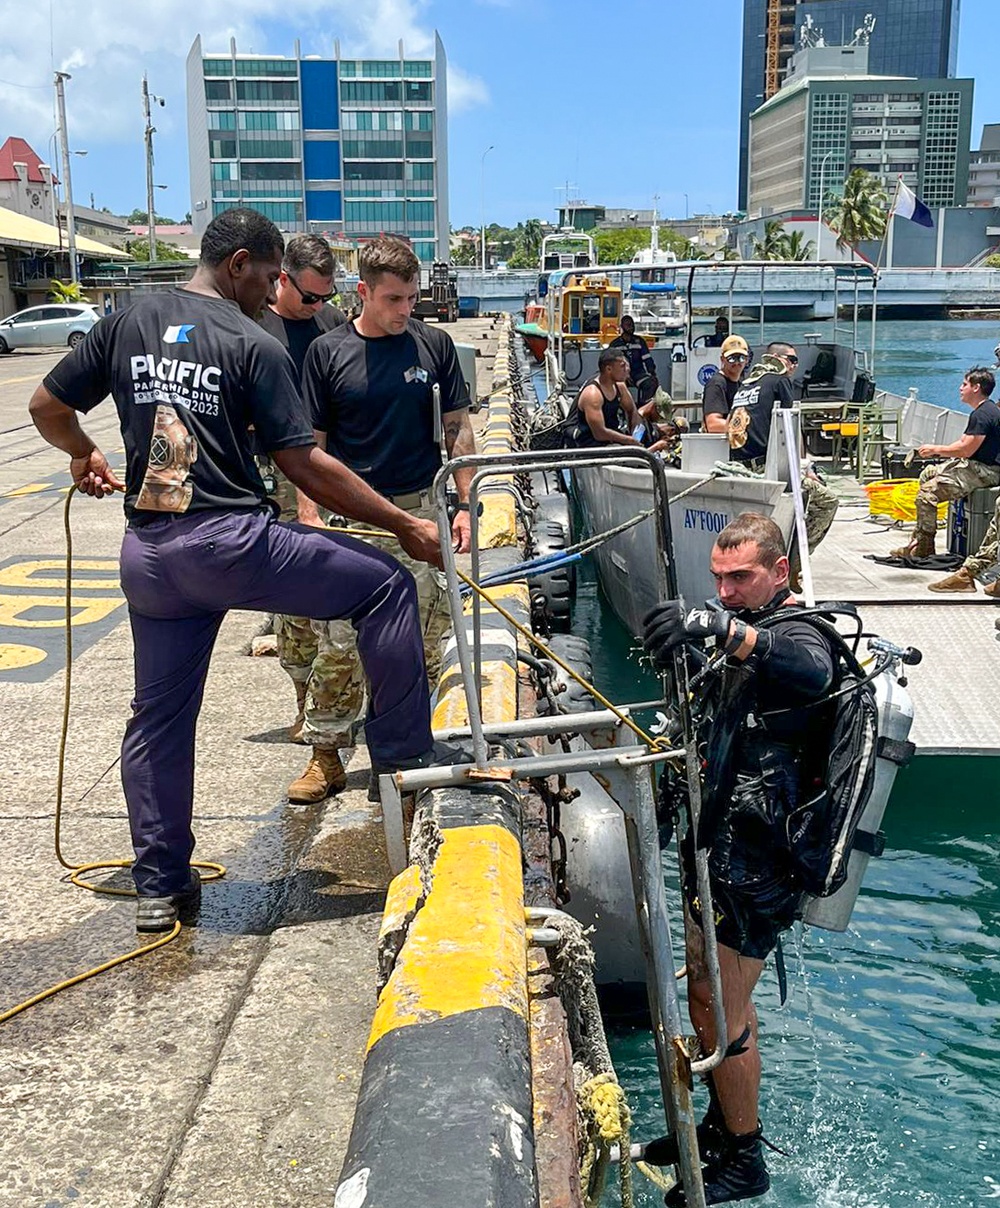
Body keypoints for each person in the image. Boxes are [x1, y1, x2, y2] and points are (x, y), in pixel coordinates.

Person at [27, 208, 460, 933]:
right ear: (239, 266)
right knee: (383, 585)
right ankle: (403, 757)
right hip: (230, 543)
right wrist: (403, 524)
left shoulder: (127, 320)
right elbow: (304, 464)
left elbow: (46, 405)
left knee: (159, 719)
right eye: (269, 276)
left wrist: (84, 451)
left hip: (152, 560)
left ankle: (160, 886)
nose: (274, 289)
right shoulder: (252, 342)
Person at [642, 513, 837, 1205]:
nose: (726, 592)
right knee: (704, 994)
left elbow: (810, 672)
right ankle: (719, 1129)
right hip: (719, 851)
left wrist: (723, 629)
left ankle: (745, 1156)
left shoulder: (802, 634)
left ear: (779, 573)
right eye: (718, 579)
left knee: (720, 1007)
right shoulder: (739, 641)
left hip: (762, 865)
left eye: (742, 578)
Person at [294, 236, 477, 800]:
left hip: (421, 511)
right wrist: (309, 514)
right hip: (354, 519)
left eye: (412, 299)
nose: (405, 311)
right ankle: (326, 756)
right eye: (394, 299)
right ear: (364, 291)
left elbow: (458, 429)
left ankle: (395, 758)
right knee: (341, 644)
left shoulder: (434, 346)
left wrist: (466, 503)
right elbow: (310, 446)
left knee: (419, 645)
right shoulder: (327, 354)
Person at [729, 341, 838, 559]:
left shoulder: (746, 384)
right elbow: (789, 427)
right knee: (828, 501)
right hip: (763, 470)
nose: (795, 366)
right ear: (778, 359)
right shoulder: (780, 381)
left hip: (737, 468)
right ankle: (794, 560)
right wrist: (805, 469)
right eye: (793, 360)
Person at [888, 367, 1000, 559]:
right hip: (975, 465)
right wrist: (937, 450)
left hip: (986, 471)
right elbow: (963, 443)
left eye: (964, 384)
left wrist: (935, 450)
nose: (960, 388)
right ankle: (916, 540)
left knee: (927, 495)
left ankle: (924, 547)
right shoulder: (983, 411)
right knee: (928, 474)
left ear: (976, 388)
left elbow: (966, 450)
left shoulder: (983, 415)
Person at [571, 348, 647, 447]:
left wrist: (634, 434)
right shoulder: (593, 394)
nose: (627, 369)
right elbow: (599, 433)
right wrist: (628, 440)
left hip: (611, 435)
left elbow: (632, 410)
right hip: (590, 440)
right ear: (609, 369)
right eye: (622, 366)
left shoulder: (620, 387)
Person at [702, 335, 749, 434]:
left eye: (741, 358)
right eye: (732, 358)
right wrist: (747, 427)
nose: (737, 363)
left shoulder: (742, 385)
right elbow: (713, 424)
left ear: (747, 360)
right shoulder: (716, 384)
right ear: (722, 359)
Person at [608, 314, 659, 406]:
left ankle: (643, 408)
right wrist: (624, 376)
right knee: (616, 386)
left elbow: (647, 359)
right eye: (628, 325)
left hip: (638, 374)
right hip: (621, 375)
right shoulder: (614, 344)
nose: (631, 327)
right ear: (622, 327)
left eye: (632, 325)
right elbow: (610, 364)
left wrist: (653, 374)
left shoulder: (640, 341)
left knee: (651, 384)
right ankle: (623, 411)